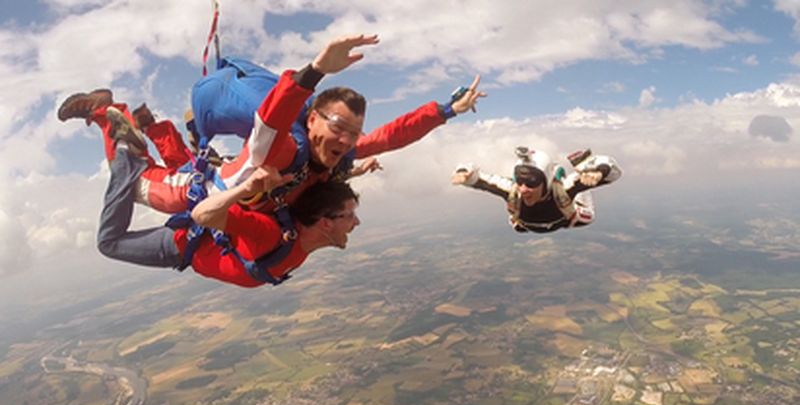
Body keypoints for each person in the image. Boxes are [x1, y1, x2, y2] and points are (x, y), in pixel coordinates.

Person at [58, 34, 486, 215]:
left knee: (186, 161)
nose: (346, 139)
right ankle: (105, 113)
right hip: (204, 193)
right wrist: (315, 70)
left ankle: (150, 124)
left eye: (352, 133)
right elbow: (271, 117)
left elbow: (391, 136)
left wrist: (447, 110)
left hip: (213, 181)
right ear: (314, 118)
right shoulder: (287, 144)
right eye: (338, 126)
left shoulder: (337, 153)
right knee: (137, 184)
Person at [93, 109, 361, 288]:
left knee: (188, 176)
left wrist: (356, 169)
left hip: (194, 236)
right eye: (349, 216)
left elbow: (319, 186)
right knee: (109, 241)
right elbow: (204, 214)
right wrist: (243, 191)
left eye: (352, 216)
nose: (356, 223)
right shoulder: (271, 234)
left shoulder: (296, 225)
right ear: (325, 222)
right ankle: (123, 147)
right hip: (181, 245)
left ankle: (150, 130)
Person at [452, 147, 622, 233]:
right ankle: (581, 169)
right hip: (528, 224)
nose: (524, 189)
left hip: (567, 218)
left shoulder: (564, 189)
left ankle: (584, 164)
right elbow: (477, 176)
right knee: (517, 225)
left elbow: (615, 173)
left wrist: (599, 172)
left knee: (586, 216)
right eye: (519, 181)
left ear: (546, 182)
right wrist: (463, 173)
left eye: (531, 183)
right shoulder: (512, 190)